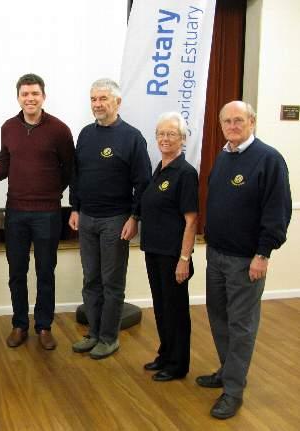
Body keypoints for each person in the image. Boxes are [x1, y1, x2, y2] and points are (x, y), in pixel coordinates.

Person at [197, 101, 291, 419]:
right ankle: (228, 371)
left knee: (241, 326)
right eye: (227, 121)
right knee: (218, 317)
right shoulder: (224, 157)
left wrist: (262, 254)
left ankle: (233, 391)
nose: (233, 126)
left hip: (246, 261)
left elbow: (277, 213)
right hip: (217, 255)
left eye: (239, 120)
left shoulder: (269, 160)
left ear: (252, 121)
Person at [0, 73, 75, 350]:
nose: (30, 99)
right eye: (25, 94)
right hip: (15, 212)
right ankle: (19, 324)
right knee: (17, 271)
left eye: (35, 94)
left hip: (48, 213)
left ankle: (44, 326)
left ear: (43, 96)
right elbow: (5, 162)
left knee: (45, 271)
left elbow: (69, 170)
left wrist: (51, 193)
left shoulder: (60, 130)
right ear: (18, 97)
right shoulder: (8, 127)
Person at [69, 78, 151, 359]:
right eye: (93, 99)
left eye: (103, 99)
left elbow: (143, 182)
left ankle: (108, 337)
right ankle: (93, 332)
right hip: (87, 218)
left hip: (116, 220)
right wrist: (75, 208)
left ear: (117, 102)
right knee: (91, 280)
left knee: (111, 282)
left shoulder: (132, 137)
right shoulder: (85, 135)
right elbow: (77, 176)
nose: (97, 104)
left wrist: (135, 217)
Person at [140, 112, 198, 380]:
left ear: (183, 139)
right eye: (161, 134)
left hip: (173, 255)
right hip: (154, 251)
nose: (165, 138)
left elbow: (191, 220)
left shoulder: (185, 173)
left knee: (176, 310)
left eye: (171, 134)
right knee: (162, 306)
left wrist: (184, 258)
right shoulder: (161, 167)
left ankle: (177, 365)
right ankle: (165, 354)